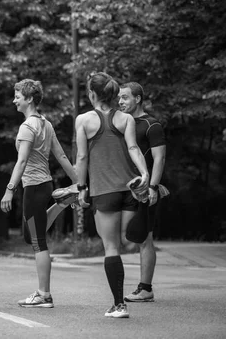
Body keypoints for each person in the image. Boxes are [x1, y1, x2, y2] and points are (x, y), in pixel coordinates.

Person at [74, 72, 149, 318]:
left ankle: (119, 305)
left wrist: (80, 187)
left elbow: (82, 157)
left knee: (110, 247)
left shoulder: (84, 120)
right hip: (129, 189)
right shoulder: (126, 118)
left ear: (92, 94)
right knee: (127, 241)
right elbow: (133, 147)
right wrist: (145, 174)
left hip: (103, 192)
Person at [0, 79, 78, 309]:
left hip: (33, 188)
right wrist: (78, 182)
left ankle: (44, 295)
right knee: (30, 235)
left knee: (37, 241)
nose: (14, 100)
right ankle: (62, 202)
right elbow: (62, 156)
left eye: (17, 96)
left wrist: (9, 190)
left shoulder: (27, 127)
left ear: (29, 99)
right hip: (45, 186)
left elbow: (21, 161)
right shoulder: (46, 124)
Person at [119, 82, 166, 302]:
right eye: (119, 98)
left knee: (145, 238)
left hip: (145, 189)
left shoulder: (151, 125)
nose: (121, 102)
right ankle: (142, 287)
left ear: (138, 99)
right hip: (124, 188)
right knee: (128, 238)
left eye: (125, 97)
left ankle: (145, 288)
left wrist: (154, 187)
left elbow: (159, 158)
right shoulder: (121, 122)